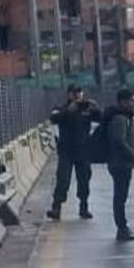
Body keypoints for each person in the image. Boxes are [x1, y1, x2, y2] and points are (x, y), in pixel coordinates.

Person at [47, 84, 101, 221]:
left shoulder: (86, 109)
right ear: (68, 94)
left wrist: (96, 109)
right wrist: (68, 111)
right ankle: (56, 207)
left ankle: (84, 207)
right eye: (74, 92)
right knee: (63, 180)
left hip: (83, 151)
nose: (77, 95)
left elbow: (101, 119)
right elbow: (53, 118)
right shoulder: (62, 108)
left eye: (79, 92)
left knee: (84, 180)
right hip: (66, 151)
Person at [102, 89, 134, 242]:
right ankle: (122, 229)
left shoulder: (123, 117)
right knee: (120, 197)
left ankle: (123, 228)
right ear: (124, 102)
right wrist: (132, 155)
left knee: (120, 197)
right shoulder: (120, 118)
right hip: (120, 164)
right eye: (132, 101)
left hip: (120, 163)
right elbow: (118, 140)